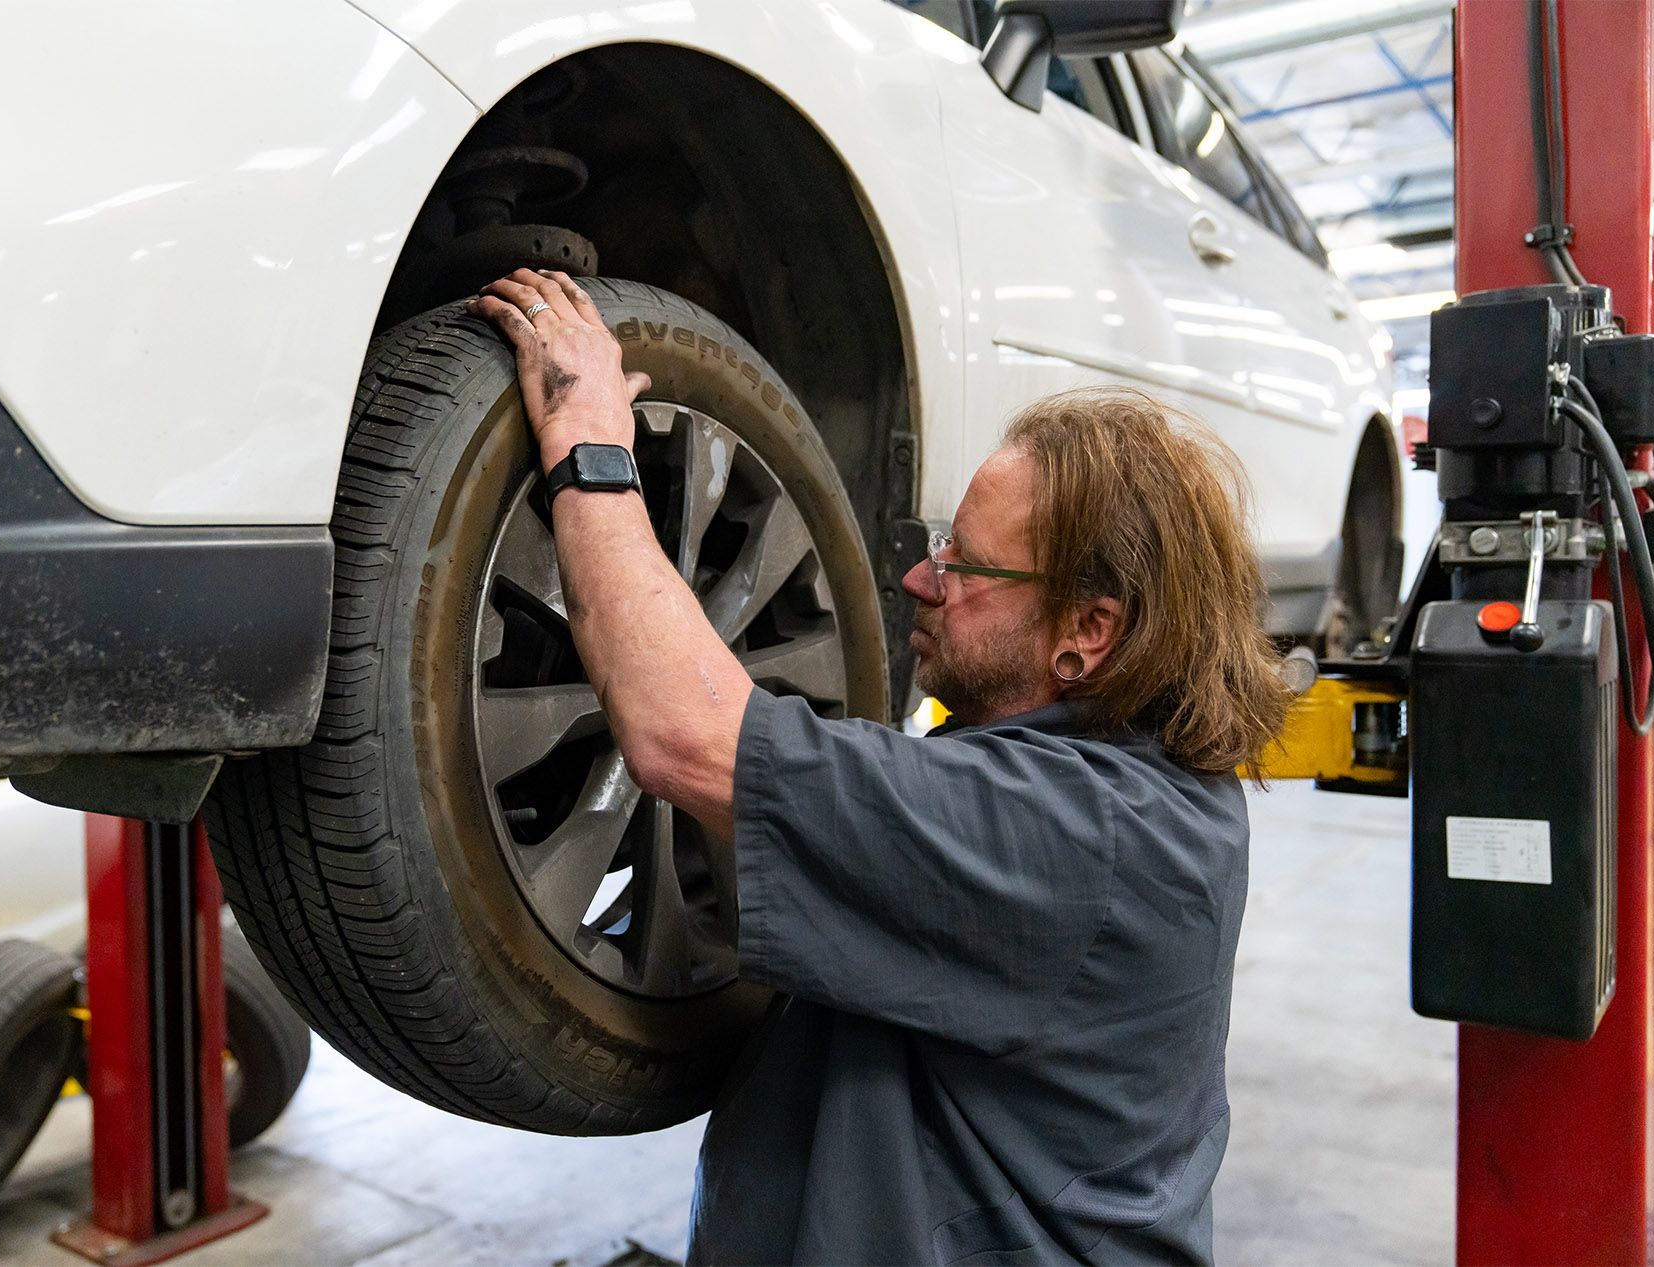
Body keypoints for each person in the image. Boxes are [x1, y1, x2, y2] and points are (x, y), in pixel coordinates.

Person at [471, 268, 1290, 1265]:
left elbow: (681, 732)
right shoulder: (1153, 790)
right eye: (938, 545)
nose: (915, 579)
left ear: (1087, 631)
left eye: (963, 568)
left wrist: (586, 438)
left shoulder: (1073, 839)